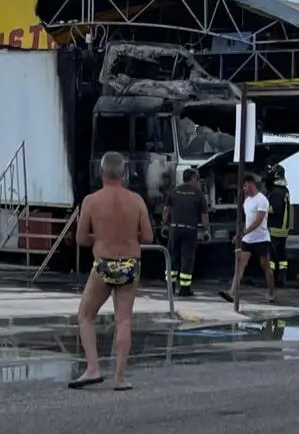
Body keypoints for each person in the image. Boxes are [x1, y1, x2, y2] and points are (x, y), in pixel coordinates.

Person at [69, 151, 153, 391]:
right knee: (123, 319)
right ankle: (119, 378)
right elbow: (148, 237)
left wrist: (101, 237)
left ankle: (93, 368)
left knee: (85, 316)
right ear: (124, 173)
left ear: (101, 173)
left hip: (104, 264)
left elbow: (81, 239)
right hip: (129, 265)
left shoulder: (91, 201)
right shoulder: (136, 200)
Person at [220, 174, 276, 308]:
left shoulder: (262, 200)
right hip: (248, 239)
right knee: (240, 264)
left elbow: (258, 221)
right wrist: (240, 235)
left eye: (245, 186)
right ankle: (231, 292)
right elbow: (248, 221)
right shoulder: (247, 201)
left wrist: (243, 234)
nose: (244, 189)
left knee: (265, 266)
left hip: (261, 238)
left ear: (251, 184)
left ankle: (271, 291)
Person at [162, 168, 208, 298]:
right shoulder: (198, 194)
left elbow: (166, 211)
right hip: (190, 230)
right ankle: (184, 289)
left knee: (172, 257)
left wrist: (165, 224)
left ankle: (170, 287)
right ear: (193, 178)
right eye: (197, 178)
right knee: (186, 258)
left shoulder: (174, 191)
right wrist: (206, 230)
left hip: (174, 229)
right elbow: (204, 216)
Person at [265, 164, 292, 288]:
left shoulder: (275, 192)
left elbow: (275, 209)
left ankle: (272, 278)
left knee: (271, 256)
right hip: (283, 229)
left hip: (275, 228)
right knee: (282, 255)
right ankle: (282, 277)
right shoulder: (285, 191)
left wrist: (263, 209)